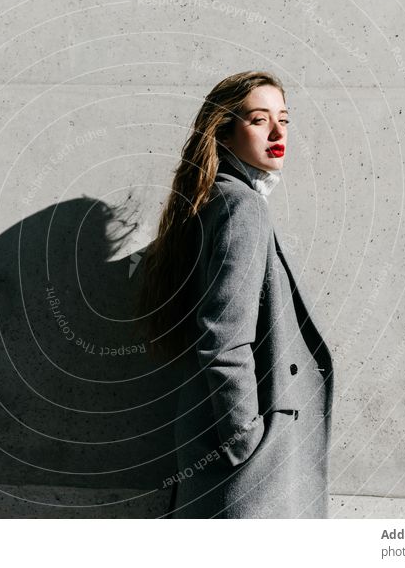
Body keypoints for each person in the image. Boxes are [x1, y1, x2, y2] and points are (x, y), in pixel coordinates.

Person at [136, 70, 334, 518]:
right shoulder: (241, 207)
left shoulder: (214, 201)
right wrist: (244, 440)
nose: (279, 132)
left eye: (284, 118)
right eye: (260, 119)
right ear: (223, 132)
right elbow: (222, 339)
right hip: (243, 461)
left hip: (214, 445)